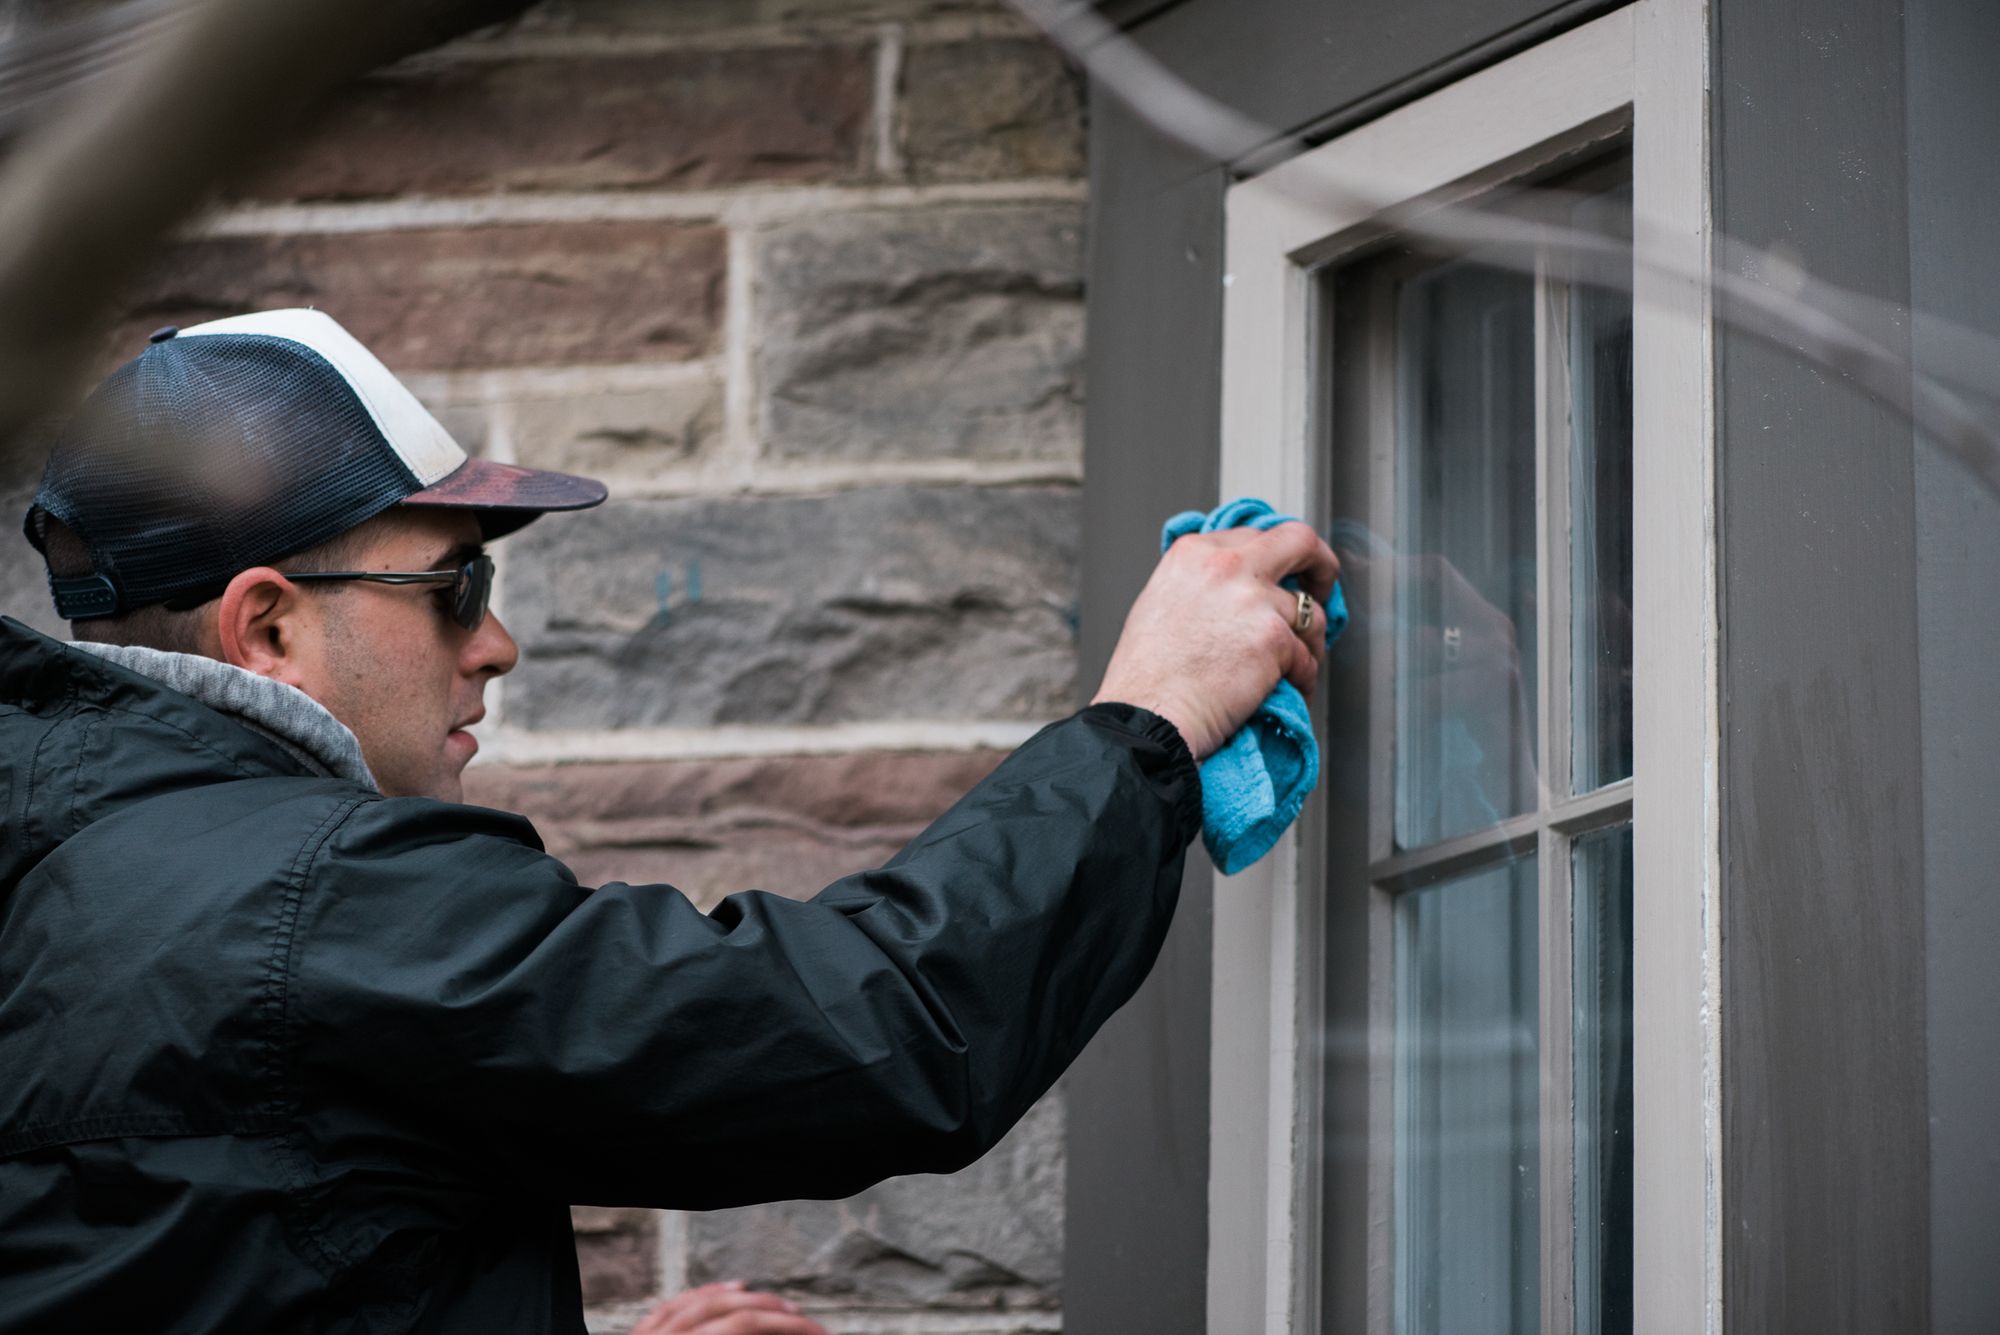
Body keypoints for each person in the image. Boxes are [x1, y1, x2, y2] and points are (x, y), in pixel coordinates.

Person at [0, 310, 1339, 1332]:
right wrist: (1150, 721)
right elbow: (871, 1033)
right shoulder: (314, 900)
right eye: (455, 586)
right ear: (271, 624)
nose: (500, 644)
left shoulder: (64, 885)